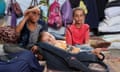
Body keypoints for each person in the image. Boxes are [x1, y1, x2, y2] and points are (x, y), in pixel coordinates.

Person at [32, 32, 103, 59]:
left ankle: (92, 47)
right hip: (73, 53)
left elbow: (65, 42)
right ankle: (94, 53)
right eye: (48, 41)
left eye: (50, 36)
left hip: (73, 47)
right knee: (84, 53)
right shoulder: (52, 49)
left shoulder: (56, 41)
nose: (51, 39)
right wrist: (38, 50)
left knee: (85, 47)